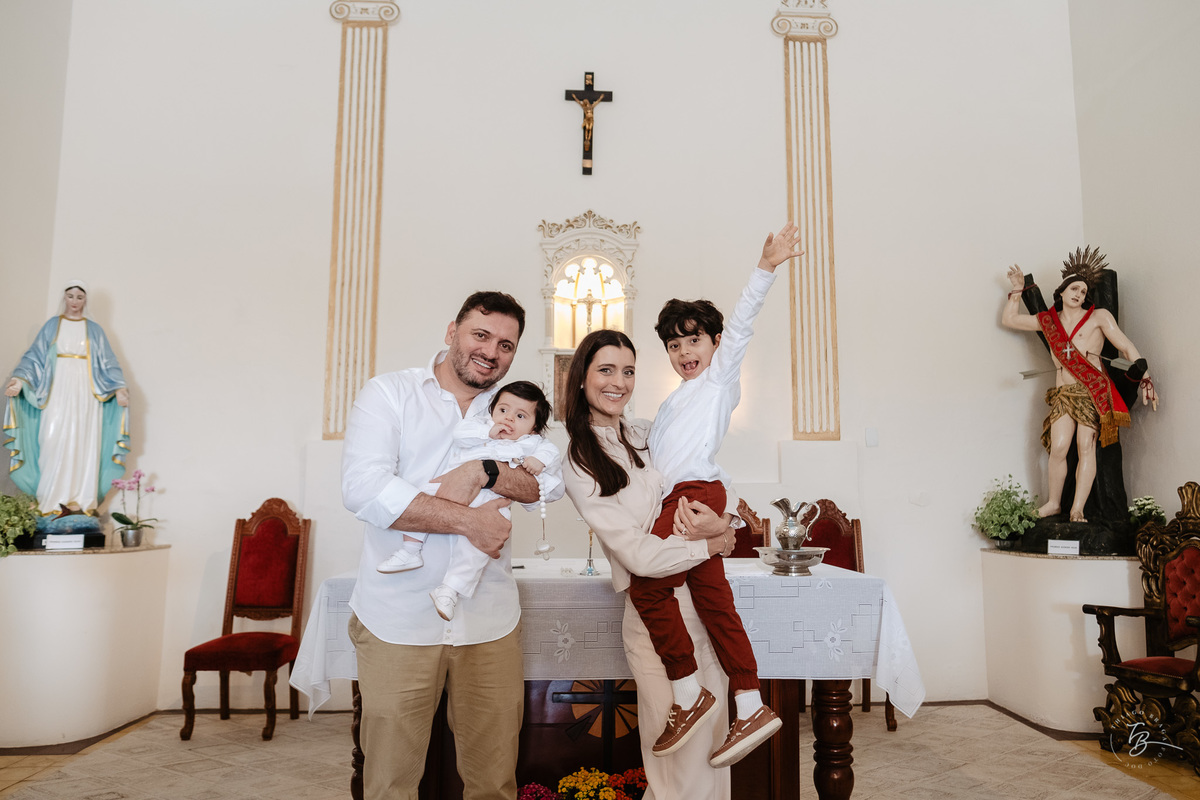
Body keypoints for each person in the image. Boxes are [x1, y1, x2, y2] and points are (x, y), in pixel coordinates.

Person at [341, 291, 564, 800]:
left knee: (493, 784)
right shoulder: (389, 394)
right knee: (390, 785)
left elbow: (543, 487)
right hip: (397, 618)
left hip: (488, 619)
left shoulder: (510, 408)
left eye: (506, 345)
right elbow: (365, 490)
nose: (491, 352)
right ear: (451, 332)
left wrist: (484, 470)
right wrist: (469, 522)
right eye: (480, 335)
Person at [626, 222, 802, 765]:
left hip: (694, 494)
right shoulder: (675, 401)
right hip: (681, 494)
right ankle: (748, 701)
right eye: (674, 344)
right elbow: (652, 448)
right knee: (714, 601)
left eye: (693, 340)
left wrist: (765, 267)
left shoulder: (721, 378)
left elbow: (744, 322)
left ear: (714, 343)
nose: (684, 352)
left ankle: (688, 691)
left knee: (648, 585)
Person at [563, 329, 748, 800]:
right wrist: (711, 544)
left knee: (712, 755)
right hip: (655, 620)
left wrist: (726, 524)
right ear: (580, 376)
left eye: (628, 372)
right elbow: (638, 554)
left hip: (700, 609)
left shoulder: (647, 433)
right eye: (606, 370)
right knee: (678, 768)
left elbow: (721, 495)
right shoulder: (578, 456)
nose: (619, 382)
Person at [377, 379, 562, 621]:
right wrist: (487, 432)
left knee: (477, 548)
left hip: (492, 499)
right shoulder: (479, 427)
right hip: (453, 483)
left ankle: (450, 589)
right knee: (421, 497)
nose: (508, 419)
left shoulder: (532, 443)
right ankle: (410, 549)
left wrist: (540, 461)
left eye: (520, 416)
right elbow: (460, 435)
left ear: (534, 427)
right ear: (492, 410)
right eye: (503, 410)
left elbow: (552, 457)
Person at [1003, 256, 1158, 522]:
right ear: (1061, 291)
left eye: (1084, 291)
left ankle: (1077, 508)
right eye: (1074, 288)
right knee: (1060, 447)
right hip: (1063, 393)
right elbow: (1010, 320)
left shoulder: (1099, 316)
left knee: (1085, 445)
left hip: (1091, 390)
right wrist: (1017, 290)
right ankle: (1053, 503)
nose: (1079, 293)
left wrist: (1146, 377)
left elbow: (1126, 346)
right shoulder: (1048, 321)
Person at [4, 282, 130, 516]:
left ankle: (81, 502)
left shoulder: (94, 329)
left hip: (86, 392)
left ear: (85, 301)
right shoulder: (53, 325)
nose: (74, 301)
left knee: (83, 441)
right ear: (64, 299)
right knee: (52, 439)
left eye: (79, 297)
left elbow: (108, 361)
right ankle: (50, 501)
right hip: (57, 388)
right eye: (70, 296)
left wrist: (119, 388)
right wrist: (20, 380)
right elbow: (35, 356)